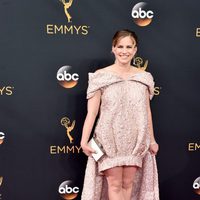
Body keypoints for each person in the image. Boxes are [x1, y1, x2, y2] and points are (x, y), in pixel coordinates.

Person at [80, 29, 159, 200]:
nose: (125, 51)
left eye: (129, 46)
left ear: (135, 49)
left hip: (135, 142)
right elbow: (92, 113)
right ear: (113, 48)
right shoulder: (101, 77)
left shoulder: (144, 78)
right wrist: (83, 139)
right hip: (109, 141)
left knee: (127, 185)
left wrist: (151, 140)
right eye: (120, 46)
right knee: (115, 185)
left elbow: (147, 112)